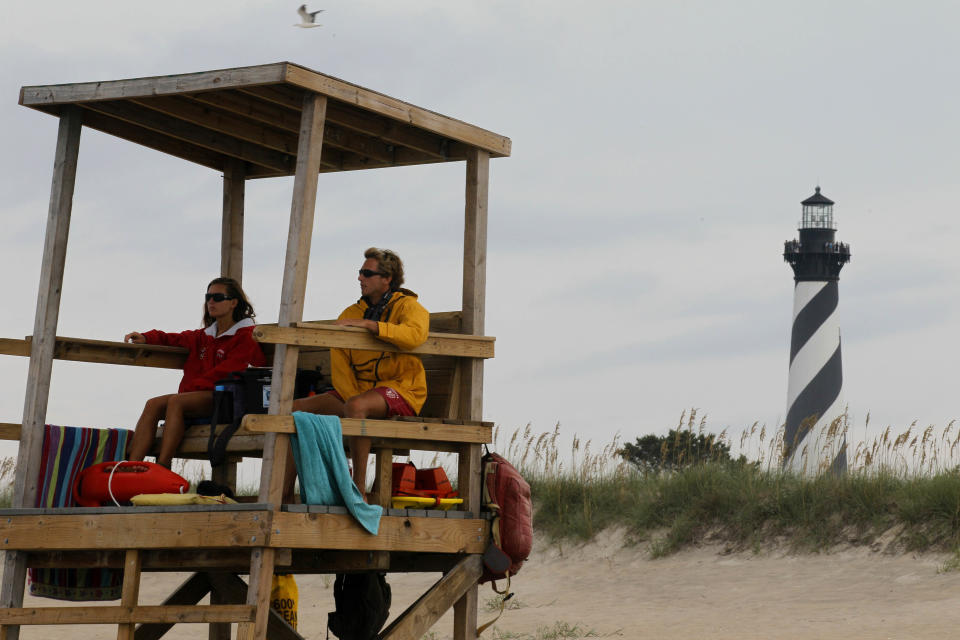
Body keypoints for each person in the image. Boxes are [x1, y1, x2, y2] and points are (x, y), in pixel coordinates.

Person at [292, 247, 429, 495]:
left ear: (387, 278)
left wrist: (371, 326)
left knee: (356, 407)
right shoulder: (350, 313)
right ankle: (283, 493)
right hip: (360, 394)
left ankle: (358, 490)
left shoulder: (408, 306)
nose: (360, 278)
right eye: (360, 272)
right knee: (295, 410)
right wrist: (352, 397)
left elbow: (414, 335)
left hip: (402, 390)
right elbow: (341, 364)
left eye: (367, 273)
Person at [124, 277, 266, 467]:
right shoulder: (203, 336)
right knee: (153, 404)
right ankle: (131, 467)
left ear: (234, 303)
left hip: (227, 398)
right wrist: (147, 337)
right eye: (208, 297)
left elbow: (230, 371)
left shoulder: (246, 335)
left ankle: (163, 466)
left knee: (177, 401)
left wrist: (192, 388)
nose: (211, 302)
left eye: (217, 297)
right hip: (199, 395)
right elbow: (174, 339)